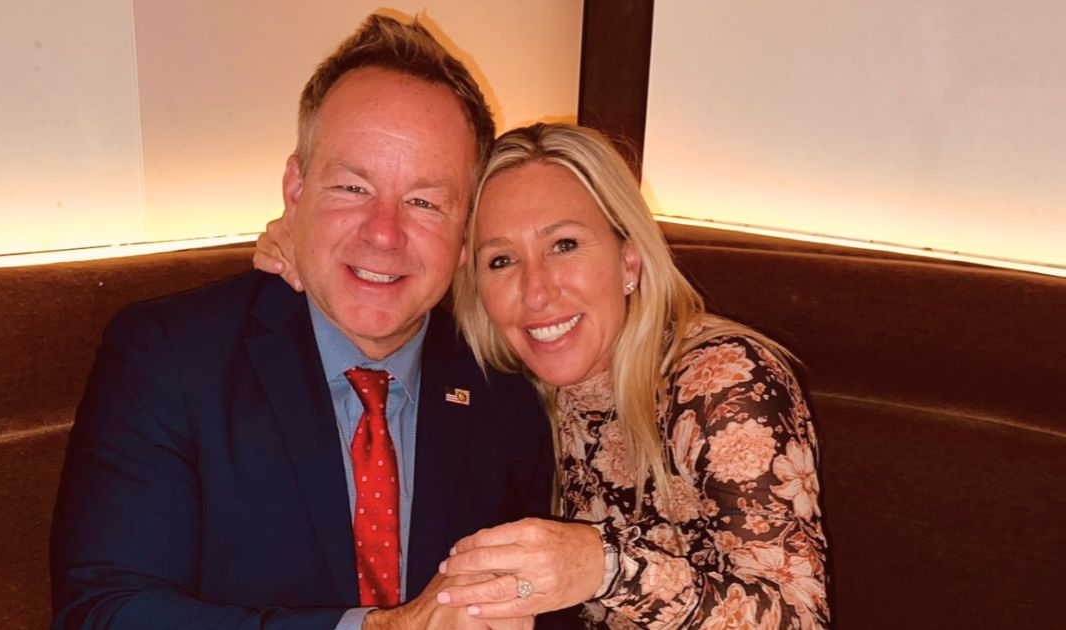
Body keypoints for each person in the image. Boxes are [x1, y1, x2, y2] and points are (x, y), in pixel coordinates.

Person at [51, 15, 577, 630]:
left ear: (466, 233)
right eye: (353, 187)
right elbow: (105, 613)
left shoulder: (506, 388)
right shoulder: (169, 358)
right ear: (296, 191)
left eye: (425, 202)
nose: (384, 233)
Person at [257, 123, 830, 628]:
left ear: (628, 258)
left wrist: (604, 566)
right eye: (500, 260)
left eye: (564, 245)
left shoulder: (724, 383)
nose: (536, 292)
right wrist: (309, 247)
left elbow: (798, 617)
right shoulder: (515, 380)